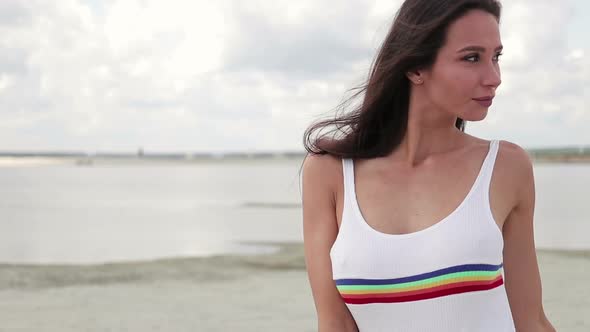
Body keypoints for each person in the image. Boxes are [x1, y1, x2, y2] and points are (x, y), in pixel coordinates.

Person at [300, 0, 556, 331]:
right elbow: (335, 323)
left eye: (496, 57)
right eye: (472, 58)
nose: (494, 77)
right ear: (415, 67)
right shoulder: (330, 172)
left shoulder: (506, 167)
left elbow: (530, 320)